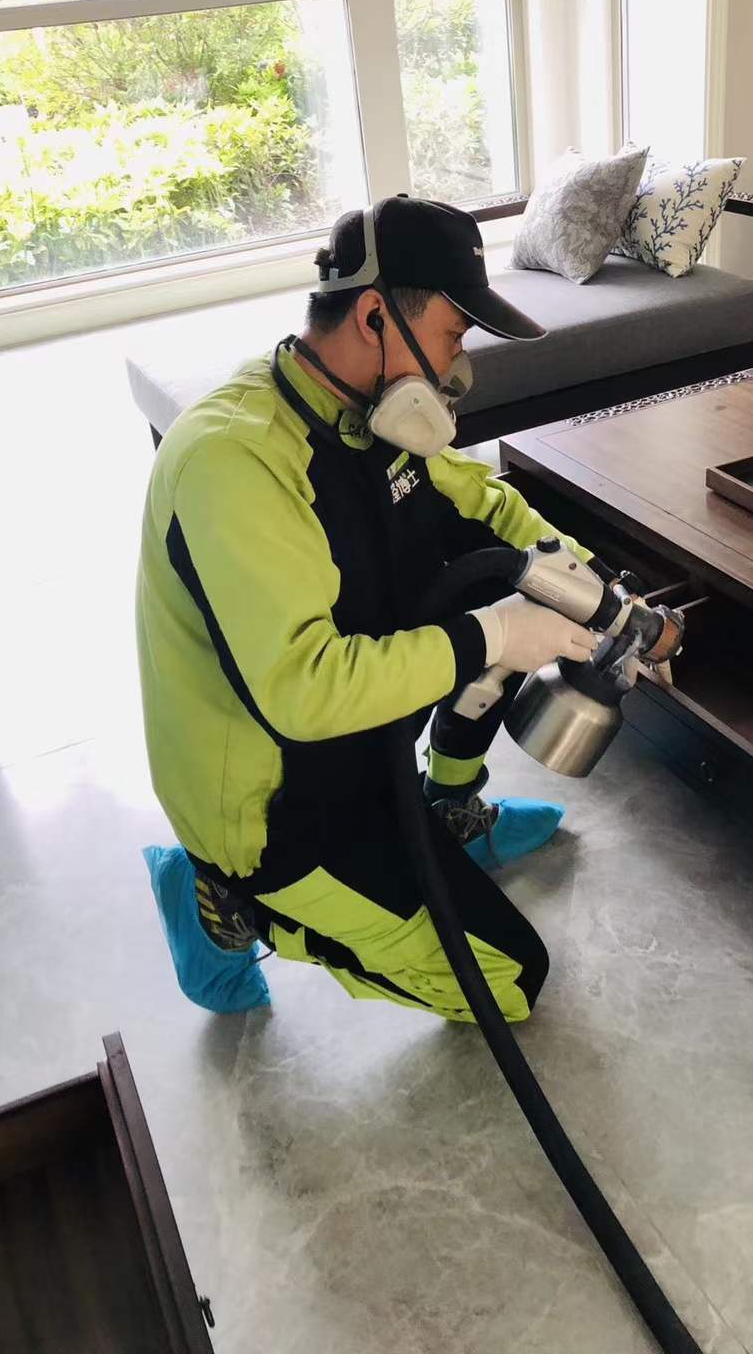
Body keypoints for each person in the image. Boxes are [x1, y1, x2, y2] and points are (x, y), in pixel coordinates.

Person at [136, 195, 619, 1023]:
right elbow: (303, 689)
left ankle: (446, 806)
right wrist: (497, 634)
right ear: (372, 317)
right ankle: (228, 899)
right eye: (453, 337)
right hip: (279, 807)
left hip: (359, 737)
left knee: (504, 580)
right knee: (509, 980)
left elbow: (492, 513)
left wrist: (602, 595)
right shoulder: (234, 460)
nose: (459, 367)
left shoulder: (372, 412)